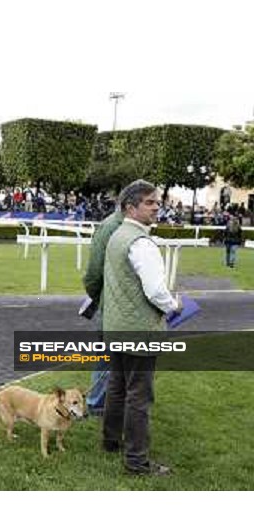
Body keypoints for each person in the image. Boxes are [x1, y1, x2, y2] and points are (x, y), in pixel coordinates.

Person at [101, 179, 181, 476]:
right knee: (139, 395)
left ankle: (110, 441)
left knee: (117, 386)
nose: (156, 207)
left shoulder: (117, 235)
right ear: (130, 207)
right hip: (139, 329)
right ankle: (136, 461)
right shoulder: (141, 242)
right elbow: (155, 290)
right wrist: (175, 306)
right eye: (149, 202)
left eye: (157, 202)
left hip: (117, 326)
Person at [82, 194, 126, 415]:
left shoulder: (123, 226)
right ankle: (96, 403)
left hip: (119, 304)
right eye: (150, 202)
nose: (157, 207)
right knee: (107, 355)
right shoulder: (111, 227)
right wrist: (99, 297)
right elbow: (93, 274)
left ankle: (105, 400)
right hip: (111, 305)